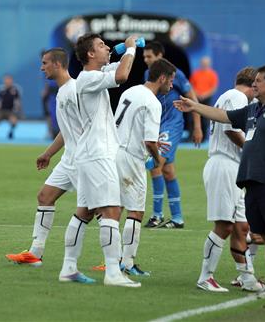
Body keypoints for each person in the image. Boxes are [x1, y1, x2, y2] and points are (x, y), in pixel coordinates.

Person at [174, 65, 265, 300]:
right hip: (252, 181)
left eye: (259, 81)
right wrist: (194, 106)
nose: (254, 84)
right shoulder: (254, 109)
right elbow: (224, 117)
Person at [6, 48, 96, 284]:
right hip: (69, 158)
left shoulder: (76, 90)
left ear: (57, 64)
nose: (41, 67)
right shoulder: (61, 92)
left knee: (97, 209)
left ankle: (118, 261)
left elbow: (90, 125)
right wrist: (48, 153)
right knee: (45, 196)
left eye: (45, 63)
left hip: (83, 159)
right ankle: (35, 253)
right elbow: (67, 131)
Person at [74, 33, 141, 287]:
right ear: (90, 54)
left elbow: (120, 68)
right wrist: (131, 49)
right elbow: (121, 75)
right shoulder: (88, 77)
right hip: (97, 153)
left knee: (85, 212)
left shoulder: (94, 75)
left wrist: (128, 52)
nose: (107, 48)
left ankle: (69, 267)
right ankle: (113, 272)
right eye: (101, 45)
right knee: (112, 210)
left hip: (95, 152)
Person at [196, 67, 264, 293]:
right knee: (224, 225)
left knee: (241, 227)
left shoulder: (226, 96)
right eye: (256, 84)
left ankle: (247, 278)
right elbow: (230, 130)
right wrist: (253, 149)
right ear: (251, 83)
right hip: (223, 164)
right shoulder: (237, 97)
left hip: (231, 166)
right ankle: (205, 277)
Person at [115, 58, 174, 276]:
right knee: (136, 211)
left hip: (115, 151)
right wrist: (158, 159)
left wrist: (153, 142)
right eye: (171, 79)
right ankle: (127, 263)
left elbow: (129, 125)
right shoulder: (153, 102)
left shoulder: (130, 91)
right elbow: (148, 142)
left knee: (115, 208)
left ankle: (112, 260)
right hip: (131, 157)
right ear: (162, 78)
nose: (171, 84)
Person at [142, 42, 202, 229]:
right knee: (168, 170)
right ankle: (177, 218)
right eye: (144, 57)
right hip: (157, 126)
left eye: (150, 56)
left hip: (172, 125)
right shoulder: (148, 75)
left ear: (160, 55)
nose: (146, 60)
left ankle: (157, 215)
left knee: (155, 163)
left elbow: (192, 98)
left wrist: (197, 126)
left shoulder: (176, 74)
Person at [190, 56, 219, 141]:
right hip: (196, 98)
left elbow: (214, 88)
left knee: (205, 118)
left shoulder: (212, 74)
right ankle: (192, 137)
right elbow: (191, 86)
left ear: (209, 64)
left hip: (206, 98)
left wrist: (205, 95)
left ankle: (204, 137)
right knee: (193, 117)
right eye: (203, 63)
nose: (204, 65)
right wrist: (197, 94)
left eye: (206, 63)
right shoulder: (196, 74)